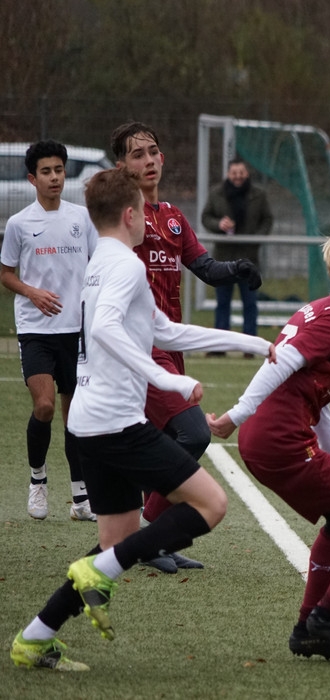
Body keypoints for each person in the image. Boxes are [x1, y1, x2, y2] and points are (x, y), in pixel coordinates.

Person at [10, 167, 275, 672]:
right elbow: (106, 328)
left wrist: (256, 344)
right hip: (115, 423)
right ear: (131, 215)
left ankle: (35, 638)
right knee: (211, 504)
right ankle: (92, 573)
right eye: (142, 211)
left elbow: (166, 331)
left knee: (115, 544)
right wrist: (167, 380)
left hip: (89, 422)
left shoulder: (102, 261)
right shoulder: (127, 266)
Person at [206, 224, 330, 662]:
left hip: (269, 439)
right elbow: (281, 363)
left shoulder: (323, 308)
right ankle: (328, 618)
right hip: (280, 441)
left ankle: (308, 629)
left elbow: (315, 397)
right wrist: (235, 415)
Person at [111, 121, 263, 573]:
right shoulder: (120, 218)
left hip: (171, 344)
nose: (148, 161)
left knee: (161, 442)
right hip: (139, 349)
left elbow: (205, 268)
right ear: (121, 166)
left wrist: (235, 268)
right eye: (137, 154)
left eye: (152, 152)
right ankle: (145, 532)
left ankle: (151, 542)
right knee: (194, 434)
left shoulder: (174, 216)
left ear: (163, 158)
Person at [1, 140, 100, 522]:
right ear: (32, 178)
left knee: (76, 418)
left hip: (77, 330)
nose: (54, 177)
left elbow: (98, 263)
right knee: (43, 406)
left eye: (59, 170)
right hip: (36, 330)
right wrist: (32, 292)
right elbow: (6, 274)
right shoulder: (19, 224)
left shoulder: (82, 218)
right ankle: (38, 480)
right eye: (46, 171)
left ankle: (80, 498)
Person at [200, 157, 274, 351]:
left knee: (250, 304)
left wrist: (256, 238)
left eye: (241, 172)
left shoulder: (259, 195)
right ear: (228, 174)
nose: (238, 176)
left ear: (246, 173)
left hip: (250, 258)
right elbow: (205, 217)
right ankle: (219, 348)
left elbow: (267, 219)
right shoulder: (216, 193)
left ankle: (250, 348)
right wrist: (219, 224)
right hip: (223, 259)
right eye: (234, 173)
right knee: (222, 303)